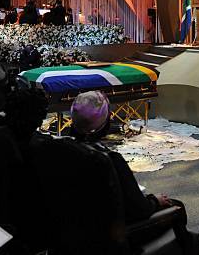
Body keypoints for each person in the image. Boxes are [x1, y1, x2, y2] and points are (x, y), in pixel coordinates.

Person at [69, 91, 174, 223]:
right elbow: (139, 209)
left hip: (66, 227)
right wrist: (155, 201)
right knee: (176, 207)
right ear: (105, 123)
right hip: (105, 232)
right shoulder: (110, 159)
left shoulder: (58, 149)